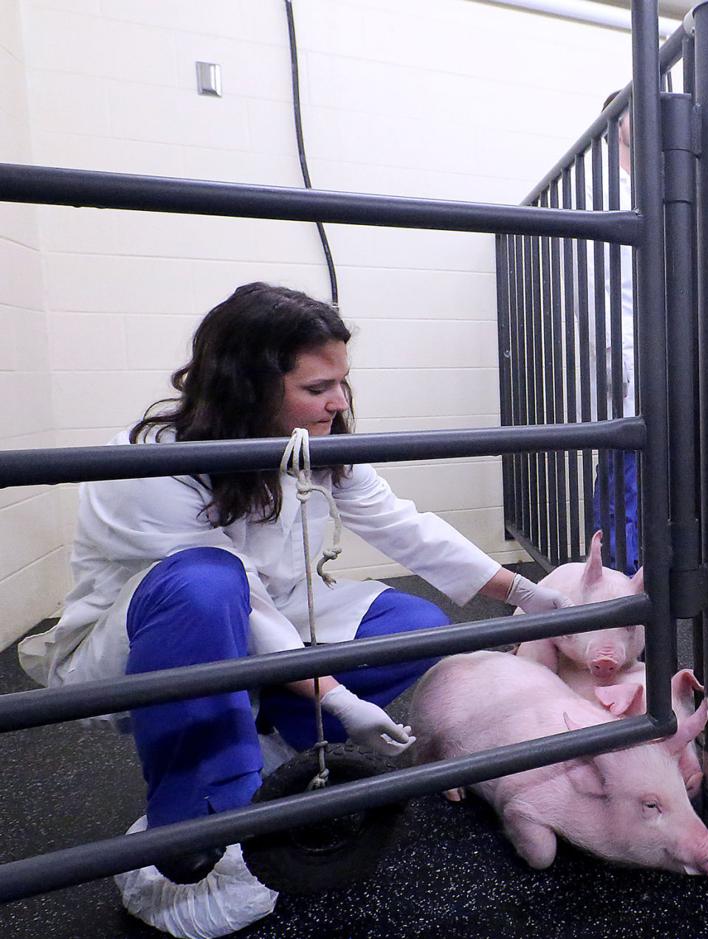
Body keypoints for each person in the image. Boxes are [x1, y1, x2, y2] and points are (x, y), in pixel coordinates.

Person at [17, 283, 571, 937]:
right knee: (206, 582)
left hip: (268, 611)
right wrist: (337, 697)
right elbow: (239, 600)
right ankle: (198, 814)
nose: (338, 401)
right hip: (157, 630)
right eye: (317, 387)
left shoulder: (307, 442)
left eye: (342, 382)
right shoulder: (155, 463)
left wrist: (532, 595)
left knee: (415, 625)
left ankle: (275, 742)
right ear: (249, 385)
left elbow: (401, 524)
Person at [592, 90, 639, 574]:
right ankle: (623, 575)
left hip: (640, 344)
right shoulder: (607, 187)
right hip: (624, 346)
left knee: (624, 467)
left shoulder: (637, 185)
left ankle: (610, 569)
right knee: (627, 467)